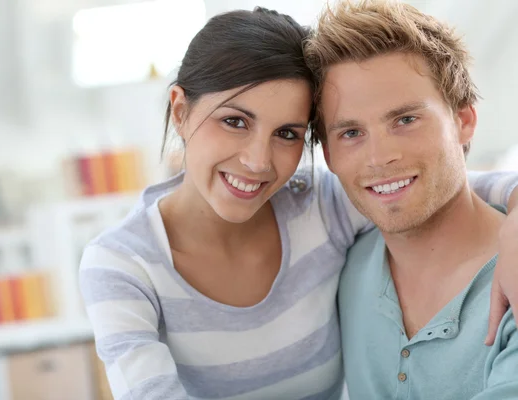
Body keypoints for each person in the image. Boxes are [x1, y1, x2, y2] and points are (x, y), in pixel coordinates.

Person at [79, 6, 518, 400]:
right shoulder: (122, 263)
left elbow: (447, 184)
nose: (256, 160)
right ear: (180, 111)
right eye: (234, 121)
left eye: (287, 134)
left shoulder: (320, 208)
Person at [304, 0, 518, 398]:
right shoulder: (341, 265)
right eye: (350, 132)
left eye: (405, 120)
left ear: (464, 121)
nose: (379, 157)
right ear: (328, 155)